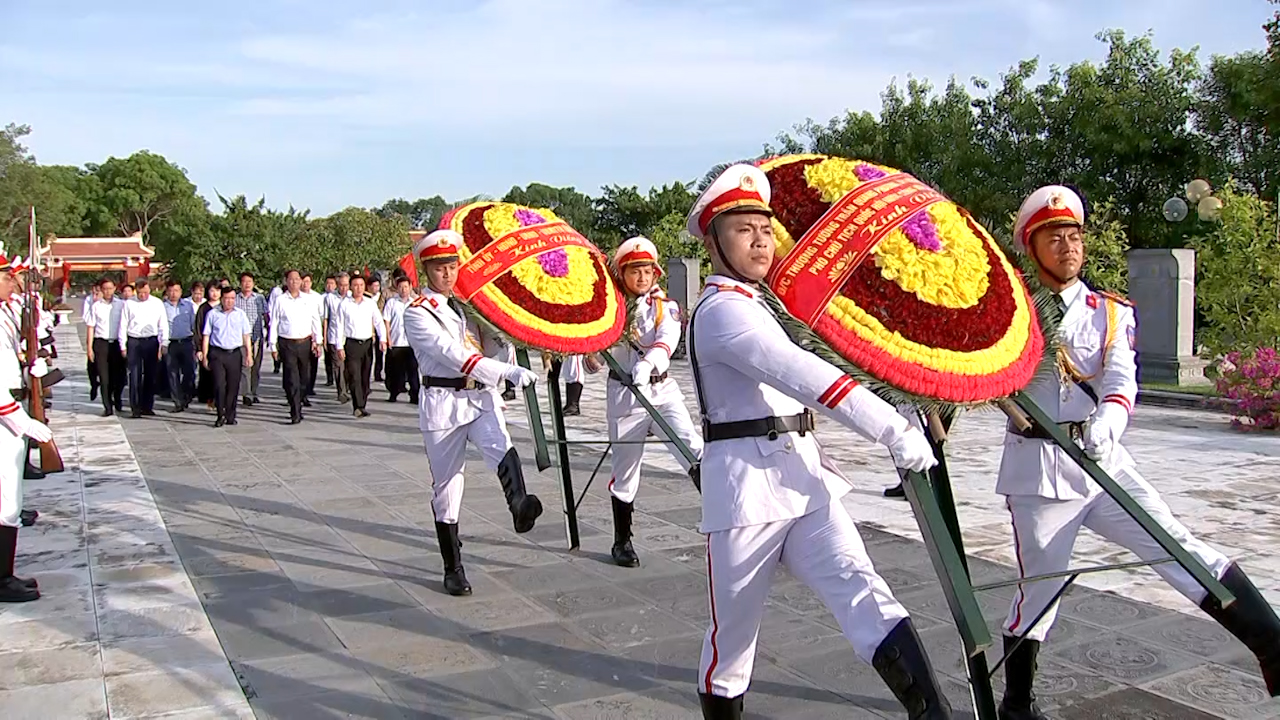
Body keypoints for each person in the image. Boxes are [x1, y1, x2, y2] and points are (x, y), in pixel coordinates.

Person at [993, 186, 1280, 719]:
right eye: (1053, 236)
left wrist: (1109, 421)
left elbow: (1122, 381)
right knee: (1040, 592)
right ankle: (1016, 703)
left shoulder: (1110, 313)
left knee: (1181, 549)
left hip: (1103, 463)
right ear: (1030, 248)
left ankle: (1273, 646)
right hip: (1039, 472)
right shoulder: (1011, 315)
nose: (1068, 246)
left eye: (1074, 235)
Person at [686, 164, 952, 719]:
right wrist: (891, 429)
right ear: (714, 242)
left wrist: (900, 394)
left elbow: (830, 361)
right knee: (732, 645)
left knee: (864, 591)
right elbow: (801, 372)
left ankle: (933, 712)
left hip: (803, 482)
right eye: (743, 229)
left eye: (765, 228)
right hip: (746, 495)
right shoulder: (721, 312)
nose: (760, 240)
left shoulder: (759, 303)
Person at [405, 229, 542, 597]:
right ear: (427, 270)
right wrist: (506, 373)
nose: (447, 274)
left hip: (481, 399)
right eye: (439, 268)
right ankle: (453, 567)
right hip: (444, 404)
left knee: (501, 444)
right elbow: (455, 356)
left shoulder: (470, 309)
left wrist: (503, 336)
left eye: (452, 266)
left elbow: (490, 351)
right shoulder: (418, 314)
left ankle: (519, 504)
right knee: (448, 490)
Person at [596, 236, 703, 567]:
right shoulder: (610, 311)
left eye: (647, 271)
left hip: (661, 390)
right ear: (623, 274)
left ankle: (725, 520)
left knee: (693, 448)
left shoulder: (664, 307)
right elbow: (600, 350)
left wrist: (647, 364)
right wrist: (590, 359)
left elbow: (667, 339)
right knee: (626, 470)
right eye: (634, 271)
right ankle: (622, 540)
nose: (642, 278)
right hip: (625, 395)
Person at [0, 253, 52, 603]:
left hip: (10, 413)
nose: (13, 281)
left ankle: (5, 573)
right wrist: (25, 422)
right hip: (5, 417)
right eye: (7, 276)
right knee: (4, 502)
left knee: (10, 499)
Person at [269, 270, 322, 424]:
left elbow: (315, 320)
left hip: (304, 342)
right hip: (287, 343)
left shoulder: (308, 300)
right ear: (286, 281)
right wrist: (273, 345)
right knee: (292, 377)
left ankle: (299, 400)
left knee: (304, 377)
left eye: (297, 279)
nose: (294, 282)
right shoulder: (280, 300)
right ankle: (295, 410)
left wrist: (318, 341)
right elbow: (275, 322)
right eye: (291, 280)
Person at [336, 274, 387, 417]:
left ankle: (362, 403)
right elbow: (339, 326)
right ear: (351, 287)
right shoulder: (345, 304)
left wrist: (383, 339)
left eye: (361, 285)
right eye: (356, 285)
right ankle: (357, 406)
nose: (358, 288)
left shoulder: (370, 303)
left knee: (365, 376)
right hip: (352, 344)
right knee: (354, 375)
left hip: (367, 343)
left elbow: (378, 321)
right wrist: (339, 346)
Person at [202, 286, 252, 427]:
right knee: (219, 385)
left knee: (233, 385)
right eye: (226, 299)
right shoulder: (213, 314)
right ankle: (220, 414)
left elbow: (246, 335)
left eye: (232, 298)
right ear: (221, 299)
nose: (229, 301)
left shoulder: (240, 314)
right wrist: (205, 355)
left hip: (234, 353)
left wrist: (249, 354)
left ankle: (231, 414)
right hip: (217, 353)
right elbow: (206, 336)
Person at [119, 277, 168, 418]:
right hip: (134, 341)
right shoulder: (129, 304)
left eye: (145, 292)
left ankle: (147, 406)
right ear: (136, 291)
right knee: (134, 375)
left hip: (151, 341)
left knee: (150, 374)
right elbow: (123, 325)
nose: (143, 295)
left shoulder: (157, 303)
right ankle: (135, 407)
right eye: (140, 293)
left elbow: (163, 323)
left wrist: (164, 342)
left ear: (149, 290)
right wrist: (123, 345)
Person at [85, 278, 126, 416]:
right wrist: (89, 348)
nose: (108, 291)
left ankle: (117, 397)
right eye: (105, 289)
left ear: (115, 288)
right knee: (104, 377)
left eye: (110, 288)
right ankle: (107, 406)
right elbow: (91, 327)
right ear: (101, 290)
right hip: (101, 343)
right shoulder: (96, 306)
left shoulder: (122, 305)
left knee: (119, 376)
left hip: (117, 343)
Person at [382, 275, 420, 403]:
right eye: (400, 287)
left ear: (410, 287)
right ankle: (393, 393)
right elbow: (386, 321)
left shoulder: (415, 303)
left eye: (405, 287)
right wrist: (387, 338)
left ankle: (414, 395)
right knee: (395, 371)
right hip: (396, 342)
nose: (403, 289)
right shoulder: (392, 302)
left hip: (411, 343)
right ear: (396, 288)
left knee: (412, 371)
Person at [162, 280, 197, 412]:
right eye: (171, 290)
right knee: (172, 373)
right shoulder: (162, 307)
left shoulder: (188, 306)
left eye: (176, 290)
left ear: (181, 292)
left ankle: (186, 395)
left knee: (189, 372)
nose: (173, 293)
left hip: (187, 342)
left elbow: (193, 324)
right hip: (171, 343)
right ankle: (177, 401)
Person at [233, 273, 268, 406]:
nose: (247, 284)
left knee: (256, 367)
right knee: (244, 366)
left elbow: (266, 316)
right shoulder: (235, 299)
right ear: (240, 284)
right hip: (241, 338)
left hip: (256, 337)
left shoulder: (259, 298)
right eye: (244, 282)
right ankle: (246, 393)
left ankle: (254, 392)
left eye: (250, 281)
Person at [324, 272, 351, 402]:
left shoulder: (353, 298)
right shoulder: (330, 298)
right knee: (338, 365)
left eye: (346, 285)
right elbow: (325, 319)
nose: (344, 288)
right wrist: (324, 338)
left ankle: (349, 387)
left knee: (349, 365)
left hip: (350, 336)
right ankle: (342, 392)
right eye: (341, 285)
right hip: (334, 336)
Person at [194, 282, 219, 410]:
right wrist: (199, 348)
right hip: (206, 346)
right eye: (212, 291)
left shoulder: (223, 307)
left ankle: (218, 399)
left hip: (220, 346)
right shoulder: (203, 308)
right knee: (206, 372)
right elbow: (198, 329)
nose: (214, 294)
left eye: (217, 291)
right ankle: (207, 398)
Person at [302, 273, 324, 397]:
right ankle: (301, 388)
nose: (305, 284)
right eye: (303, 281)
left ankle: (310, 386)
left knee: (313, 362)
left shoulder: (317, 297)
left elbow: (320, 316)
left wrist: (318, 338)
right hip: (300, 336)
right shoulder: (294, 297)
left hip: (313, 334)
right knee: (303, 363)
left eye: (308, 282)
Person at [82, 285, 101, 402]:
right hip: (93, 335)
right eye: (94, 291)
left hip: (106, 336)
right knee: (91, 363)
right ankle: (94, 383)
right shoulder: (89, 300)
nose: (96, 294)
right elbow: (86, 317)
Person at [368, 276, 386, 383]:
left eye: (378, 286)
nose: (376, 288)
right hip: (369, 329)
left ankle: (378, 373)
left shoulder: (381, 297)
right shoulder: (367, 298)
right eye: (374, 286)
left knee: (379, 353)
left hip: (379, 327)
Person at [267, 272, 286, 375]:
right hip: (276, 321)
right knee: (276, 344)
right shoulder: (277, 291)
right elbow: (271, 305)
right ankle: (276, 363)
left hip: (286, 326)